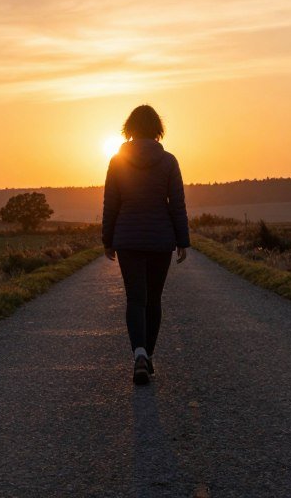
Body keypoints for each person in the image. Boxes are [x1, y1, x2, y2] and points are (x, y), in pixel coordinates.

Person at [102, 104, 190, 385]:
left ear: (129, 129)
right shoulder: (169, 161)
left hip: (128, 239)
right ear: (157, 130)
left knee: (135, 299)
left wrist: (107, 240)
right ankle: (147, 356)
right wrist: (182, 240)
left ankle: (139, 354)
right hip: (160, 239)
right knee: (153, 299)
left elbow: (111, 204)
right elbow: (177, 204)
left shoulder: (117, 161)